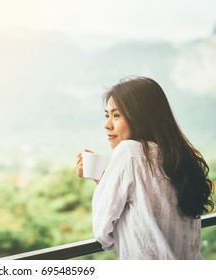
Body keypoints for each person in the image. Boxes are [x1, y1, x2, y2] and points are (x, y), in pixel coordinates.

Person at [76, 76, 214, 259]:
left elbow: (103, 235)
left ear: (141, 116)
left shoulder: (129, 152)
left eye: (117, 115)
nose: (107, 125)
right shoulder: (181, 157)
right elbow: (148, 211)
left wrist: (104, 182)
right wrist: (104, 180)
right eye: (107, 115)